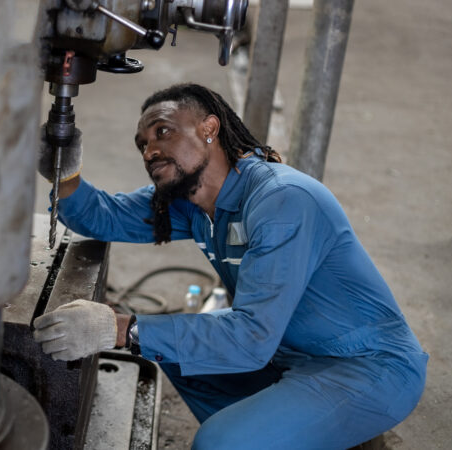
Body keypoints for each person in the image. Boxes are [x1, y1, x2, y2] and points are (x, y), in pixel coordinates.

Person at [32, 83, 427, 449]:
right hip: (290, 355)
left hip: (367, 366)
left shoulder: (282, 201)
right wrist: (66, 176)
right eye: (143, 144)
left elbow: (252, 336)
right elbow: (106, 217)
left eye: (163, 132)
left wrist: (121, 328)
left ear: (209, 128)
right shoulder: (196, 203)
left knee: (219, 442)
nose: (150, 150)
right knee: (176, 356)